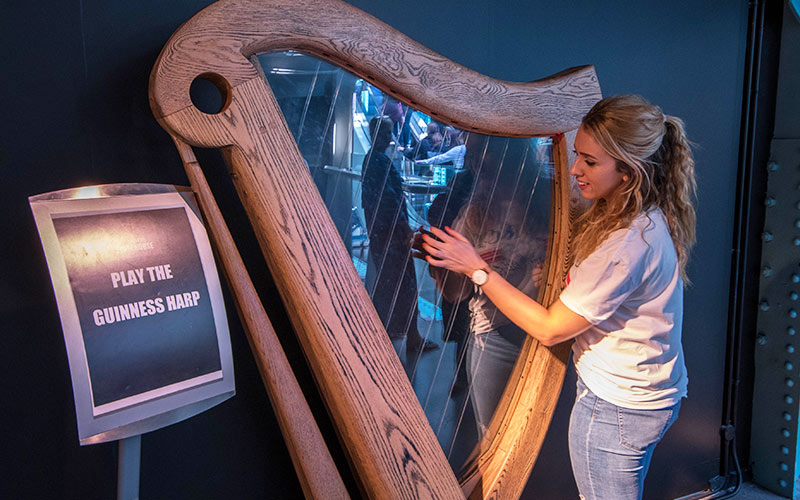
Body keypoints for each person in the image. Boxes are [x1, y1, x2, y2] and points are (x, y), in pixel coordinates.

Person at [420, 95, 696, 499]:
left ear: (628, 171)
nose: (574, 169)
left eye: (590, 161)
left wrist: (477, 268)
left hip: (618, 407)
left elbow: (551, 329)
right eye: (576, 155)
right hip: (641, 394)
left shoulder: (625, 244)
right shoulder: (642, 218)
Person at [361, 115, 439, 353]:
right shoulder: (379, 161)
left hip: (382, 234)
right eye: (385, 133)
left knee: (391, 283)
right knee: (404, 284)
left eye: (389, 132)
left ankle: (394, 333)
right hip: (391, 235)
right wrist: (404, 227)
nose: (389, 137)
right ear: (375, 135)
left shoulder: (372, 160)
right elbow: (390, 200)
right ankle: (411, 337)